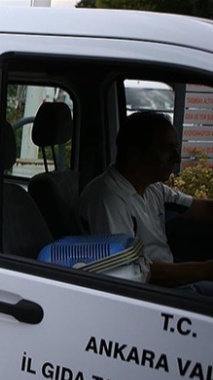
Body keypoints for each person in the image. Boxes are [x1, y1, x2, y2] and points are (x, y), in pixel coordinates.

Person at [79, 111, 213, 295]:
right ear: (134, 152)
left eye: (176, 148)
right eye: (166, 149)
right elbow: (130, 270)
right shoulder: (108, 198)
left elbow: (204, 209)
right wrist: (205, 270)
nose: (176, 158)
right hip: (149, 294)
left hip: (171, 284)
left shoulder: (153, 188)